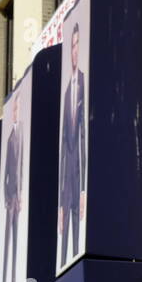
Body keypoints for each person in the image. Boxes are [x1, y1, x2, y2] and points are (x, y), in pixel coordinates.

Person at [58, 21, 87, 267]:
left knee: (79, 247)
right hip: (66, 182)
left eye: (78, 44)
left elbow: (84, 136)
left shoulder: (84, 83)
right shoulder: (66, 91)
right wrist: (60, 201)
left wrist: (84, 189)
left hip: (79, 178)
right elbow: (62, 150)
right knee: (64, 254)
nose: (75, 50)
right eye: (73, 46)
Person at [0, 93, 24, 282]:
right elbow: (7, 174)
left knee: (17, 245)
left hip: (20, 199)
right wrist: (10, 198)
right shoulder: (10, 139)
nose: (16, 113)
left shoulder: (23, 134)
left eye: (18, 109)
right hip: (11, 201)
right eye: (14, 109)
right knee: (9, 245)